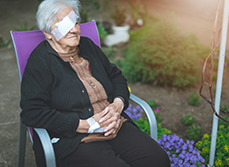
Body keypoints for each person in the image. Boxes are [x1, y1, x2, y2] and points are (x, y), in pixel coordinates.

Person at [20, 0, 170, 166]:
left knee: (158, 160)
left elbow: (116, 76)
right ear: (48, 33)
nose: (75, 29)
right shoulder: (40, 61)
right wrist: (85, 125)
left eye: (76, 22)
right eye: (64, 24)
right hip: (75, 139)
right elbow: (32, 112)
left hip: (113, 124)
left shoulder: (87, 45)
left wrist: (116, 107)